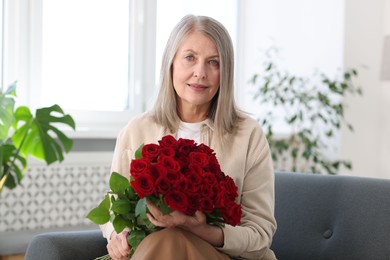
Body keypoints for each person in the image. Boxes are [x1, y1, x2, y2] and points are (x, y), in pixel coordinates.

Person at [100, 14, 277, 260]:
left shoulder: (249, 135)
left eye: (213, 62)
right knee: (164, 240)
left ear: (225, 72)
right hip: (150, 250)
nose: (200, 72)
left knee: (170, 238)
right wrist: (117, 235)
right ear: (170, 63)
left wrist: (201, 229)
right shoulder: (136, 130)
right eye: (190, 58)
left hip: (222, 255)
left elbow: (259, 234)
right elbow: (114, 206)